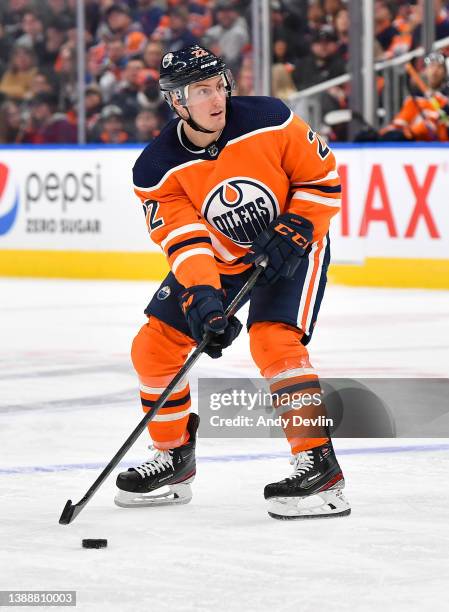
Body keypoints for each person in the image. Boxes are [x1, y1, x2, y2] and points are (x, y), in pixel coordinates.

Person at [115, 45, 351, 520]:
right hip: (222, 260)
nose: (216, 98)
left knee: (273, 341)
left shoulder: (270, 117)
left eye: (219, 84)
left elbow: (321, 180)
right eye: (201, 91)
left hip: (292, 245)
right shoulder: (156, 166)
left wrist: (298, 227)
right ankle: (174, 457)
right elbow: (186, 241)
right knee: (153, 349)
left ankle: (321, 469)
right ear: (177, 101)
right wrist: (203, 298)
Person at [380, 52, 449, 142]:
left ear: (445, 72)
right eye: (432, 66)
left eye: (439, 67)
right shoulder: (415, 99)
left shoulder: (446, 99)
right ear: (425, 70)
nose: (435, 71)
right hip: (417, 146)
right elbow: (399, 123)